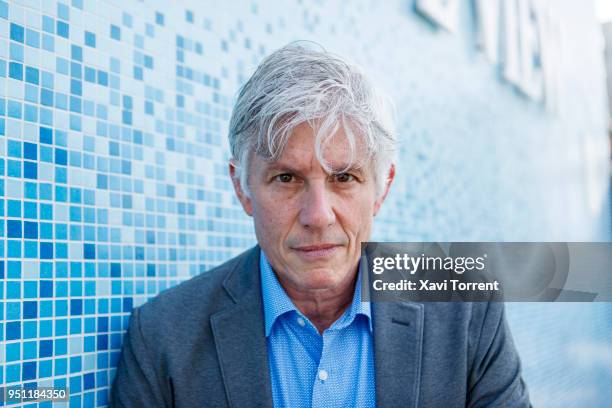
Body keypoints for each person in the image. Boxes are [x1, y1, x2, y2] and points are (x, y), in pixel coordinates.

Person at [110, 43, 531, 408]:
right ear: (242, 188)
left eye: (343, 178)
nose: (318, 215)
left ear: (382, 189)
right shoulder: (164, 336)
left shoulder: (466, 309)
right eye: (286, 178)